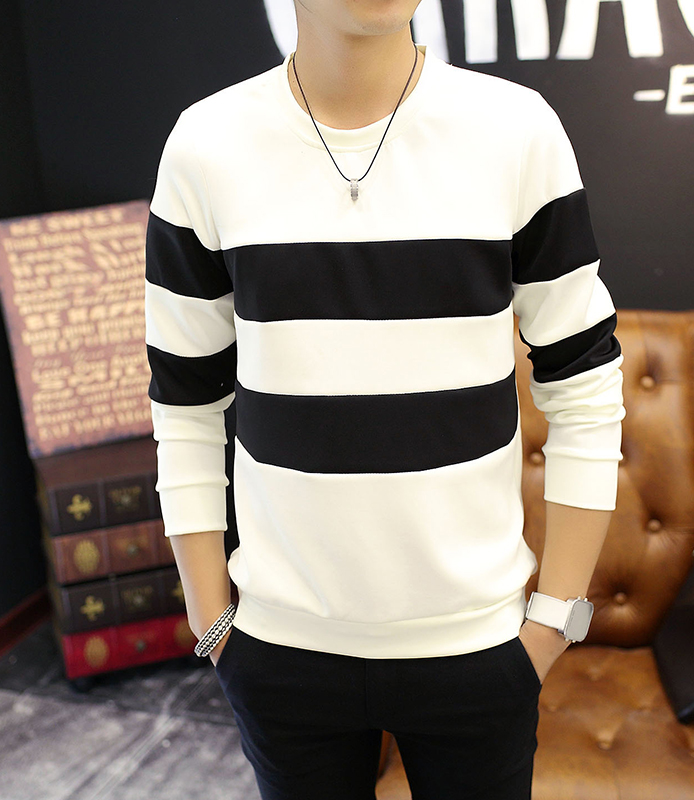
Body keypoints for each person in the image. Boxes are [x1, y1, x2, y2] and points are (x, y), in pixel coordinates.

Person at [143, 0, 626, 796]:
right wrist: (211, 620)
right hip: (280, 653)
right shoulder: (207, 146)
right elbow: (185, 400)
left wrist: (555, 618)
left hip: (478, 652)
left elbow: (584, 382)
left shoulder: (514, 131)